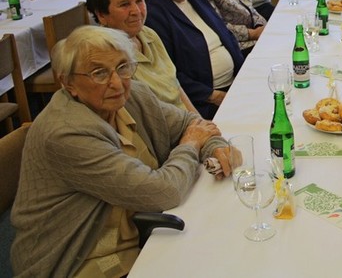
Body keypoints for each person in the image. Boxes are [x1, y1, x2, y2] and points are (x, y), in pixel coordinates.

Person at [11, 25, 235, 277]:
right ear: (68, 83)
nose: (117, 82)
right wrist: (192, 144)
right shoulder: (65, 133)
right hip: (83, 256)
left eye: (122, 67)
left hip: (140, 225)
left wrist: (214, 148)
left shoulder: (131, 95)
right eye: (99, 73)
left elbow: (191, 124)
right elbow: (164, 191)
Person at [145, 0, 245, 119]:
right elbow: (169, 74)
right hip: (205, 101)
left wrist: (243, 74)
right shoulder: (155, 15)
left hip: (235, 84)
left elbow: (227, 36)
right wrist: (213, 96)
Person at [86, 0, 198, 113]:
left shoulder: (148, 34)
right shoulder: (107, 57)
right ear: (101, 15)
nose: (136, 11)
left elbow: (175, 86)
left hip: (188, 119)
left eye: (139, 1)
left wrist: (199, 119)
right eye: (124, 4)